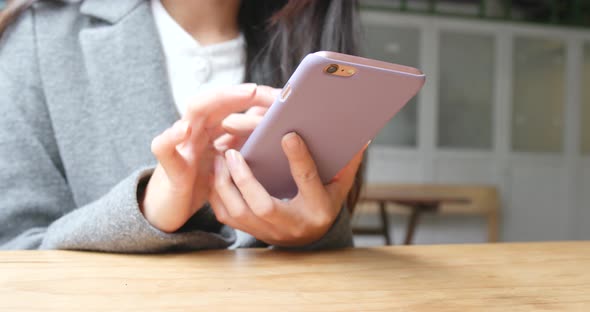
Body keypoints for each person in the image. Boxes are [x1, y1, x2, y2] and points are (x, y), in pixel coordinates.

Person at [0, 0, 364, 252]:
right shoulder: (36, 36)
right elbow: (12, 252)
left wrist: (317, 234)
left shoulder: (309, 50)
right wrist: (145, 210)